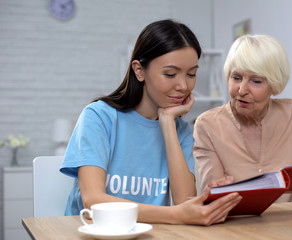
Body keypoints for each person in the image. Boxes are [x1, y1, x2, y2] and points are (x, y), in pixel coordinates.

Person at [60, 19, 241, 225]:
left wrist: (167, 123)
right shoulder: (99, 117)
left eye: (191, 74)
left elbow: (185, 202)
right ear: (139, 70)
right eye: (170, 74)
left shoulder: (180, 129)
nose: (183, 85)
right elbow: (93, 202)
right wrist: (176, 215)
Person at [193, 34, 292, 206]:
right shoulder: (207, 124)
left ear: (274, 85)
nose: (242, 90)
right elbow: (213, 193)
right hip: (235, 226)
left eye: (256, 81)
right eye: (236, 77)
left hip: (291, 227)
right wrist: (219, 191)